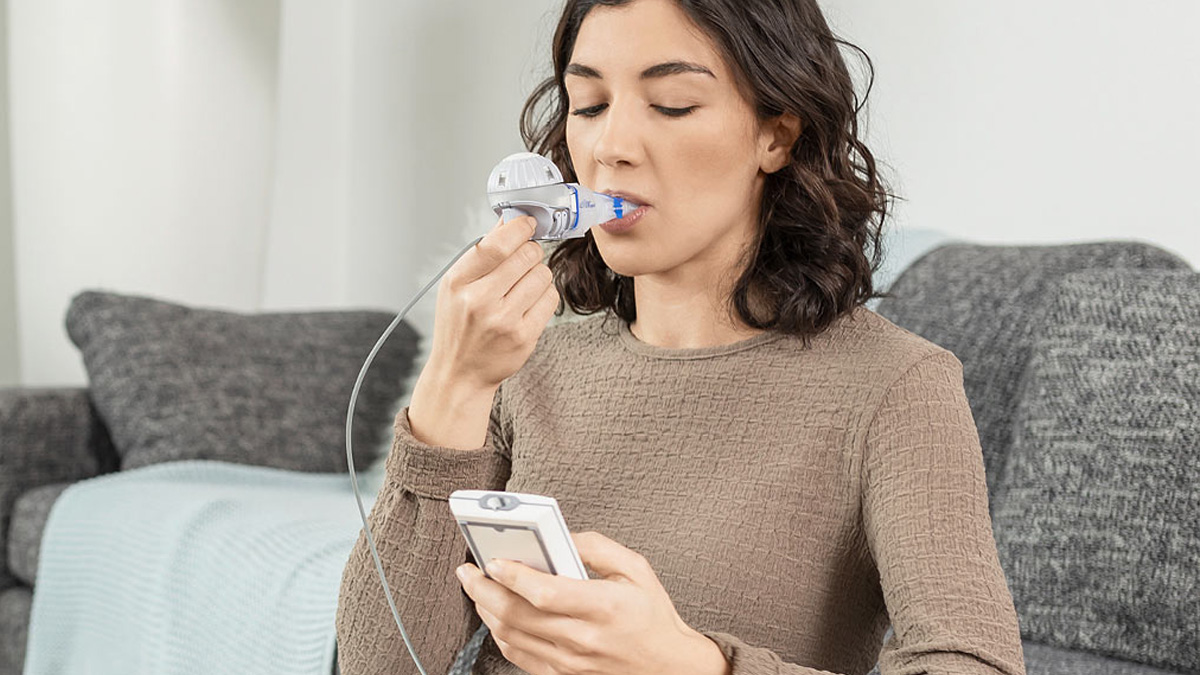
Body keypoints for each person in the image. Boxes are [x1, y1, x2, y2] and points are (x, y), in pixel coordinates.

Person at [335, 0, 1027, 673]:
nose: (610, 147)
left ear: (776, 135)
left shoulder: (896, 387)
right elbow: (376, 663)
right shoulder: (525, 369)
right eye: (590, 105)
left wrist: (690, 664)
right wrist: (453, 387)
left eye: (671, 105)